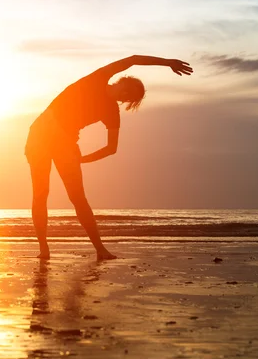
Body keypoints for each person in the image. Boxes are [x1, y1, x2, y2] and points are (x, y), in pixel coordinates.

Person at [25, 55, 193, 261]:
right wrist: (167, 63)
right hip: (40, 136)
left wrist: (82, 159)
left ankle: (100, 249)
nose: (122, 101)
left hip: (65, 144)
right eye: (126, 96)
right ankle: (44, 249)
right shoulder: (97, 79)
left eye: (126, 100)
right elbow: (133, 59)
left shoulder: (112, 111)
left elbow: (111, 148)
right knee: (41, 193)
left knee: (78, 197)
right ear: (122, 86)